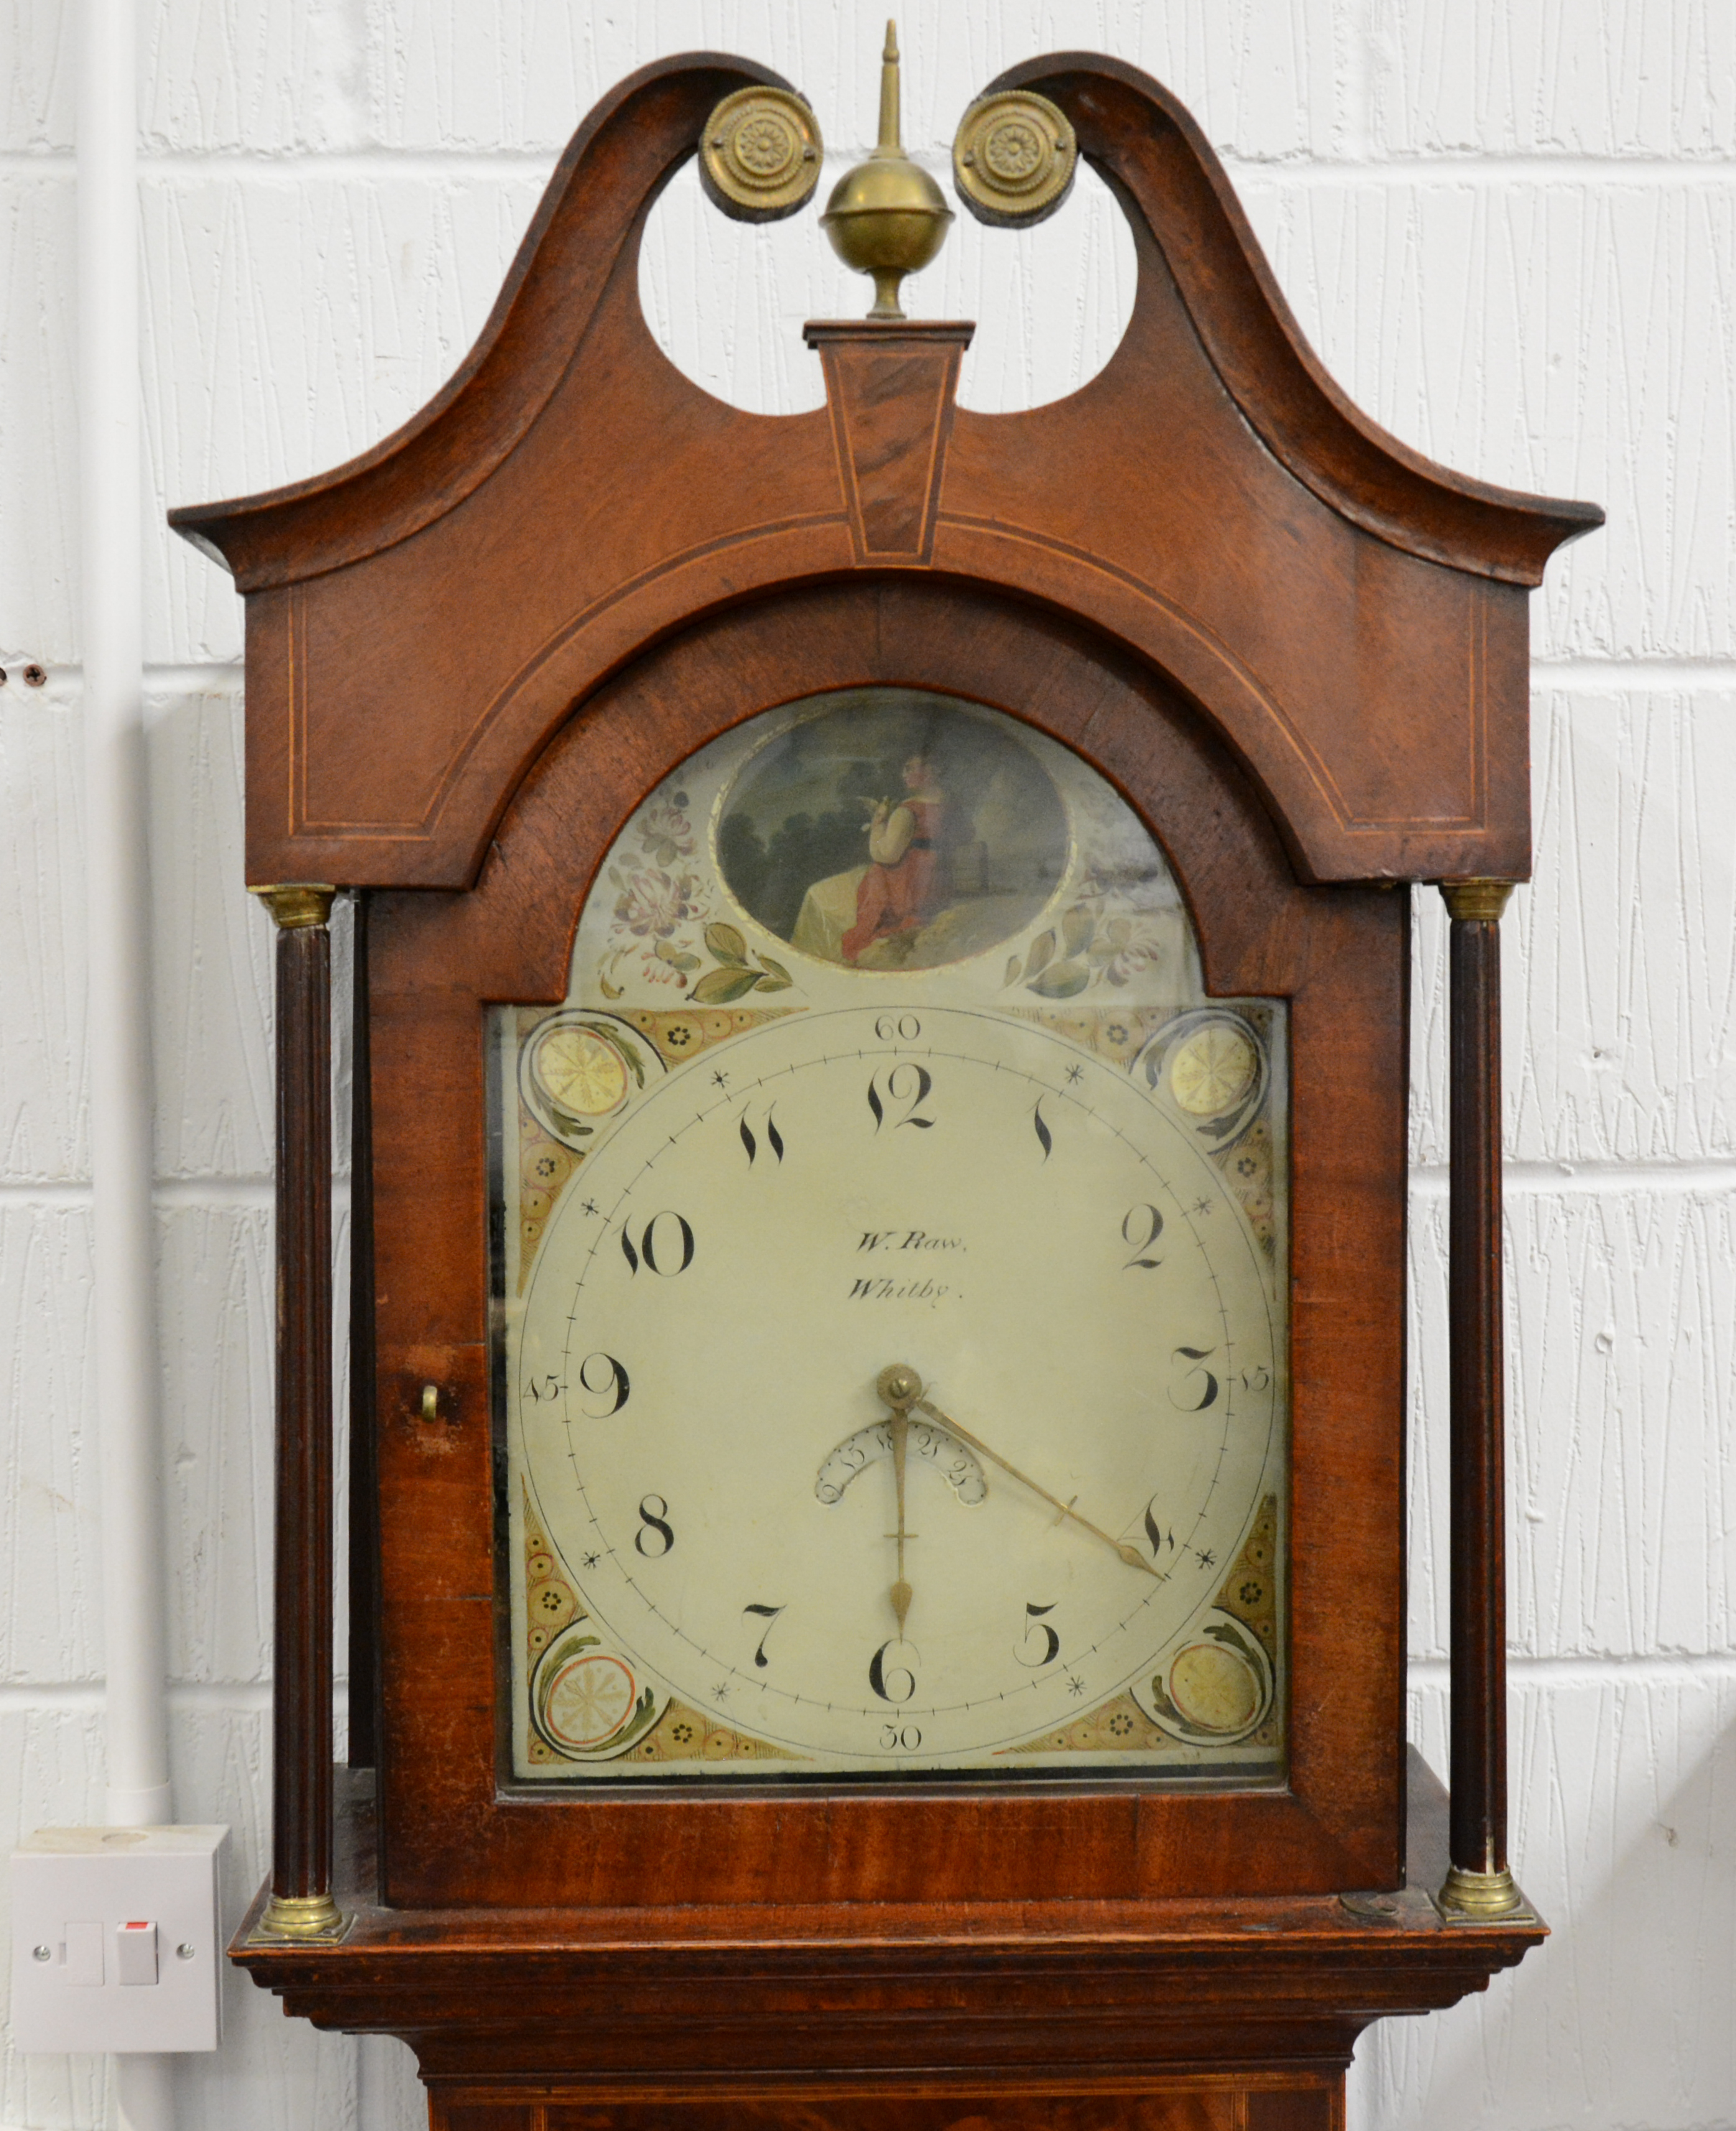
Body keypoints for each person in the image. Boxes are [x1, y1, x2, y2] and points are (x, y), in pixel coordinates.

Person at [842, 751, 945, 963]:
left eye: (910, 768)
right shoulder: (949, 804)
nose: (904, 774)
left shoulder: (908, 811)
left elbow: (885, 855)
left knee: (818, 893)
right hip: (938, 881)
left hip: (906, 887)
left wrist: (879, 821)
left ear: (933, 770)